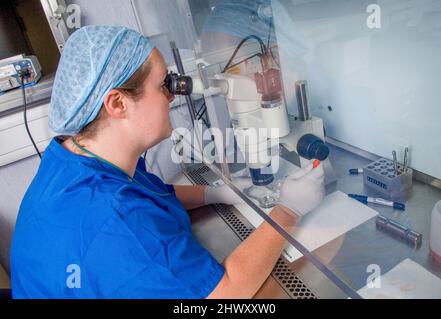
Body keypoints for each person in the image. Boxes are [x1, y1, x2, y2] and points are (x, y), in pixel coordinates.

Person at [10, 25, 324, 299]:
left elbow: (152, 193)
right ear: (118, 103)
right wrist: (288, 212)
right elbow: (223, 294)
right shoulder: (117, 222)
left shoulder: (75, 159)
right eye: (164, 85)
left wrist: (214, 193)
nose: (173, 95)